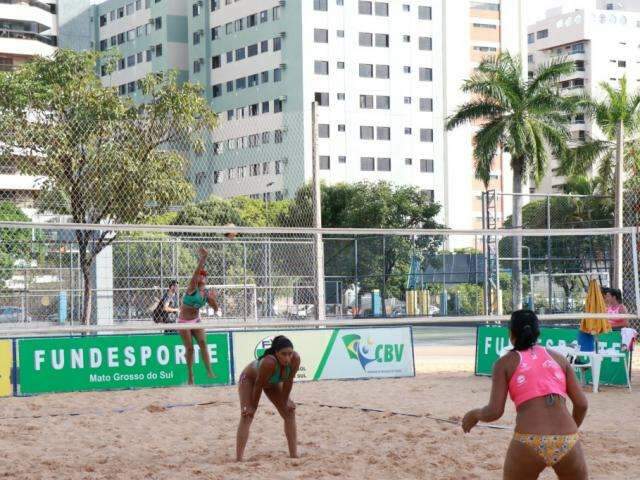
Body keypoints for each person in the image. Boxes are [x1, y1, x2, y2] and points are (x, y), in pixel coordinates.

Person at [462, 310, 589, 479]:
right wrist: (568, 431)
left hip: (529, 439)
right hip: (567, 438)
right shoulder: (559, 358)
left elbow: (494, 412)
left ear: (510, 334)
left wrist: (474, 414)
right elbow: (582, 404)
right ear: (538, 333)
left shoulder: (504, 363)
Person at [236, 335, 300, 462]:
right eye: (284, 354)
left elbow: (288, 381)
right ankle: (239, 459)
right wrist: (252, 406)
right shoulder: (269, 362)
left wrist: (286, 399)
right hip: (250, 379)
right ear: (276, 353)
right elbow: (258, 385)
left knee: (289, 412)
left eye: (290, 354)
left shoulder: (295, 359)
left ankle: (294, 455)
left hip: (271, 382)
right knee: (247, 415)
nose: (287, 358)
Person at [178, 247, 219, 385]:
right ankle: (190, 375)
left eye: (204, 275)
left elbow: (216, 309)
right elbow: (196, 272)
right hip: (183, 321)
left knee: (202, 343)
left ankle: (209, 371)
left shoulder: (206, 294)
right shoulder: (192, 287)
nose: (202, 276)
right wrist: (203, 258)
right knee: (189, 349)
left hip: (195, 320)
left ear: (206, 279)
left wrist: (214, 301)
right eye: (200, 274)